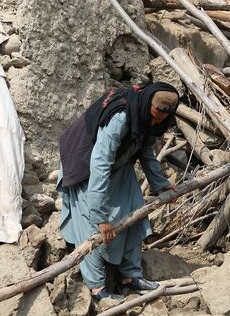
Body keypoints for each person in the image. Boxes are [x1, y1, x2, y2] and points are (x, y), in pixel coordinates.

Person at [57, 82, 179, 301]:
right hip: (84, 163)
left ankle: (130, 276)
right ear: (147, 103)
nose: (155, 123)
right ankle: (97, 288)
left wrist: (159, 183)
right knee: (92, 227)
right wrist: (100, 216)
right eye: (153, 116)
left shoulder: (152, 118)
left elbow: (146, 150)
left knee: (134, 207)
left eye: (160, 120)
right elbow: (100, 163)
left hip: (118, 163)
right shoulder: (121, 118)